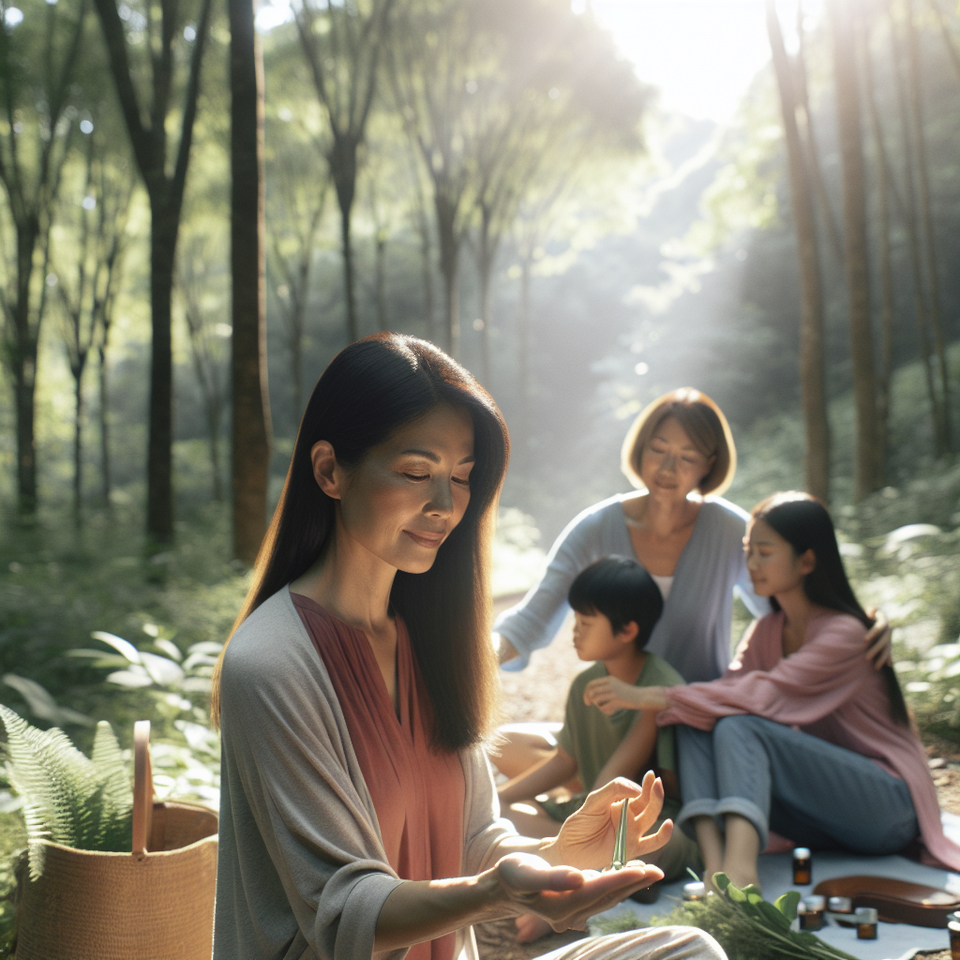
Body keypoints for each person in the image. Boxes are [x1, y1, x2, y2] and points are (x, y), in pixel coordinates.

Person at [210, 334, 727, 960]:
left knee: (689, 950)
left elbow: (479, 835)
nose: (444, 505)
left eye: (460, 478)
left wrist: (562, 855)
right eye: (415, 472)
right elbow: (342, 912)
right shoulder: (270, 662)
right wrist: (491, 894)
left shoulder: (431, 644)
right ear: (329, 471)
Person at [492, 388, 890, 779]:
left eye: (687, 457)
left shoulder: (730, 530)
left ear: (709, 465)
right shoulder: (595, 527)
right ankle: (610, 785)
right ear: (641, 448)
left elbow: (793, 607)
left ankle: (621, 789)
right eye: (658, 449)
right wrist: (475, 659)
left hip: (695, 726)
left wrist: (864, 624)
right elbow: (531, 618)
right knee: (499, 746)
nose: (668, 468)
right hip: (614, 721)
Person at [583, 491, 960, 892]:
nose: (751, 564)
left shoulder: (847, 634)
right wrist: (677, 703)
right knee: (695, 719)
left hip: (888, 808)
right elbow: (726, 693)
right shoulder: (766, 631)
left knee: (739, 726)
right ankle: (716, 866)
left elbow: (764, 694)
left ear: (807, 561)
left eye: (765, 552)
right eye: (748, 551)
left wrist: (647, 695)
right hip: (827, 813)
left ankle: (742, 876)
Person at [498, 557, 701, 944]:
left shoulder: (659, 687)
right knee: (504, 815)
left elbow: (621, 780)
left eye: (585, 624)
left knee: (652, 842)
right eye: (575, 621)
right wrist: (498, 799)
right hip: (590, 814)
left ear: (627, 630)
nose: (574, 633)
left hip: (648, 822)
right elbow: (564, 761)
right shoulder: (585, 685)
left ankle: (568, 898)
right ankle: (605, 874)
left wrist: (588, 827)